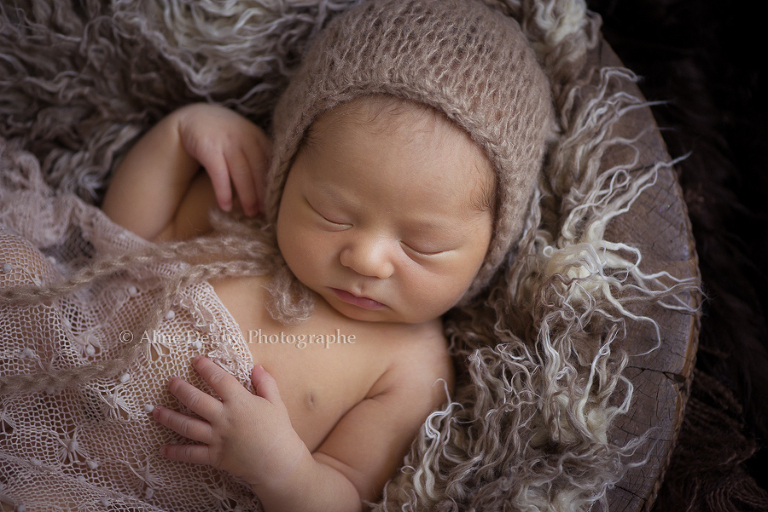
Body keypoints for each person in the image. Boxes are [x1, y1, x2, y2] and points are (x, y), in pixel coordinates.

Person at [0, 0, 553, 510]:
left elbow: (341, 492)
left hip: (119, 490)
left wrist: (282, 468)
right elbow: (123, 233)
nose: (366, 259)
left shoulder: (412, 367)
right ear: (288, 172)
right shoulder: (245, 211)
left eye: (423, 246)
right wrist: (182, 132)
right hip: (56, 353)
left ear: (489, 250)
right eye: (333, 213)